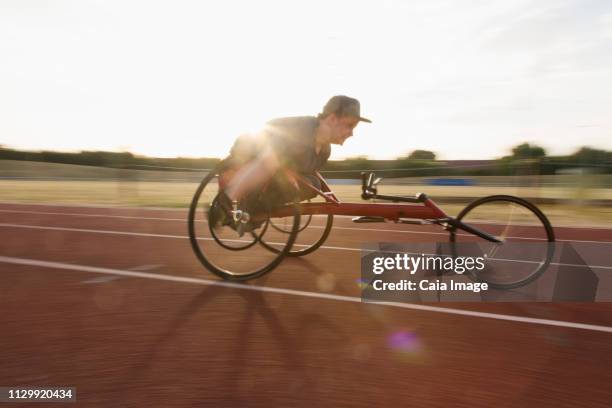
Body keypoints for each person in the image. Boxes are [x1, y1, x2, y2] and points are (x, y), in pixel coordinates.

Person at [212, 95, 371, 231]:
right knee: (272, 161)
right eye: (349, 125)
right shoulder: (302, 129)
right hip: (248, 151)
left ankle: (256, 210)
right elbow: (269, 155)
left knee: (314, 183)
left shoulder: (324, 151)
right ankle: (224, 203)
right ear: (332, 119)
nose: (351, 133)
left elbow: (303, 177)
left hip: (271, 171)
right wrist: (285, 172)